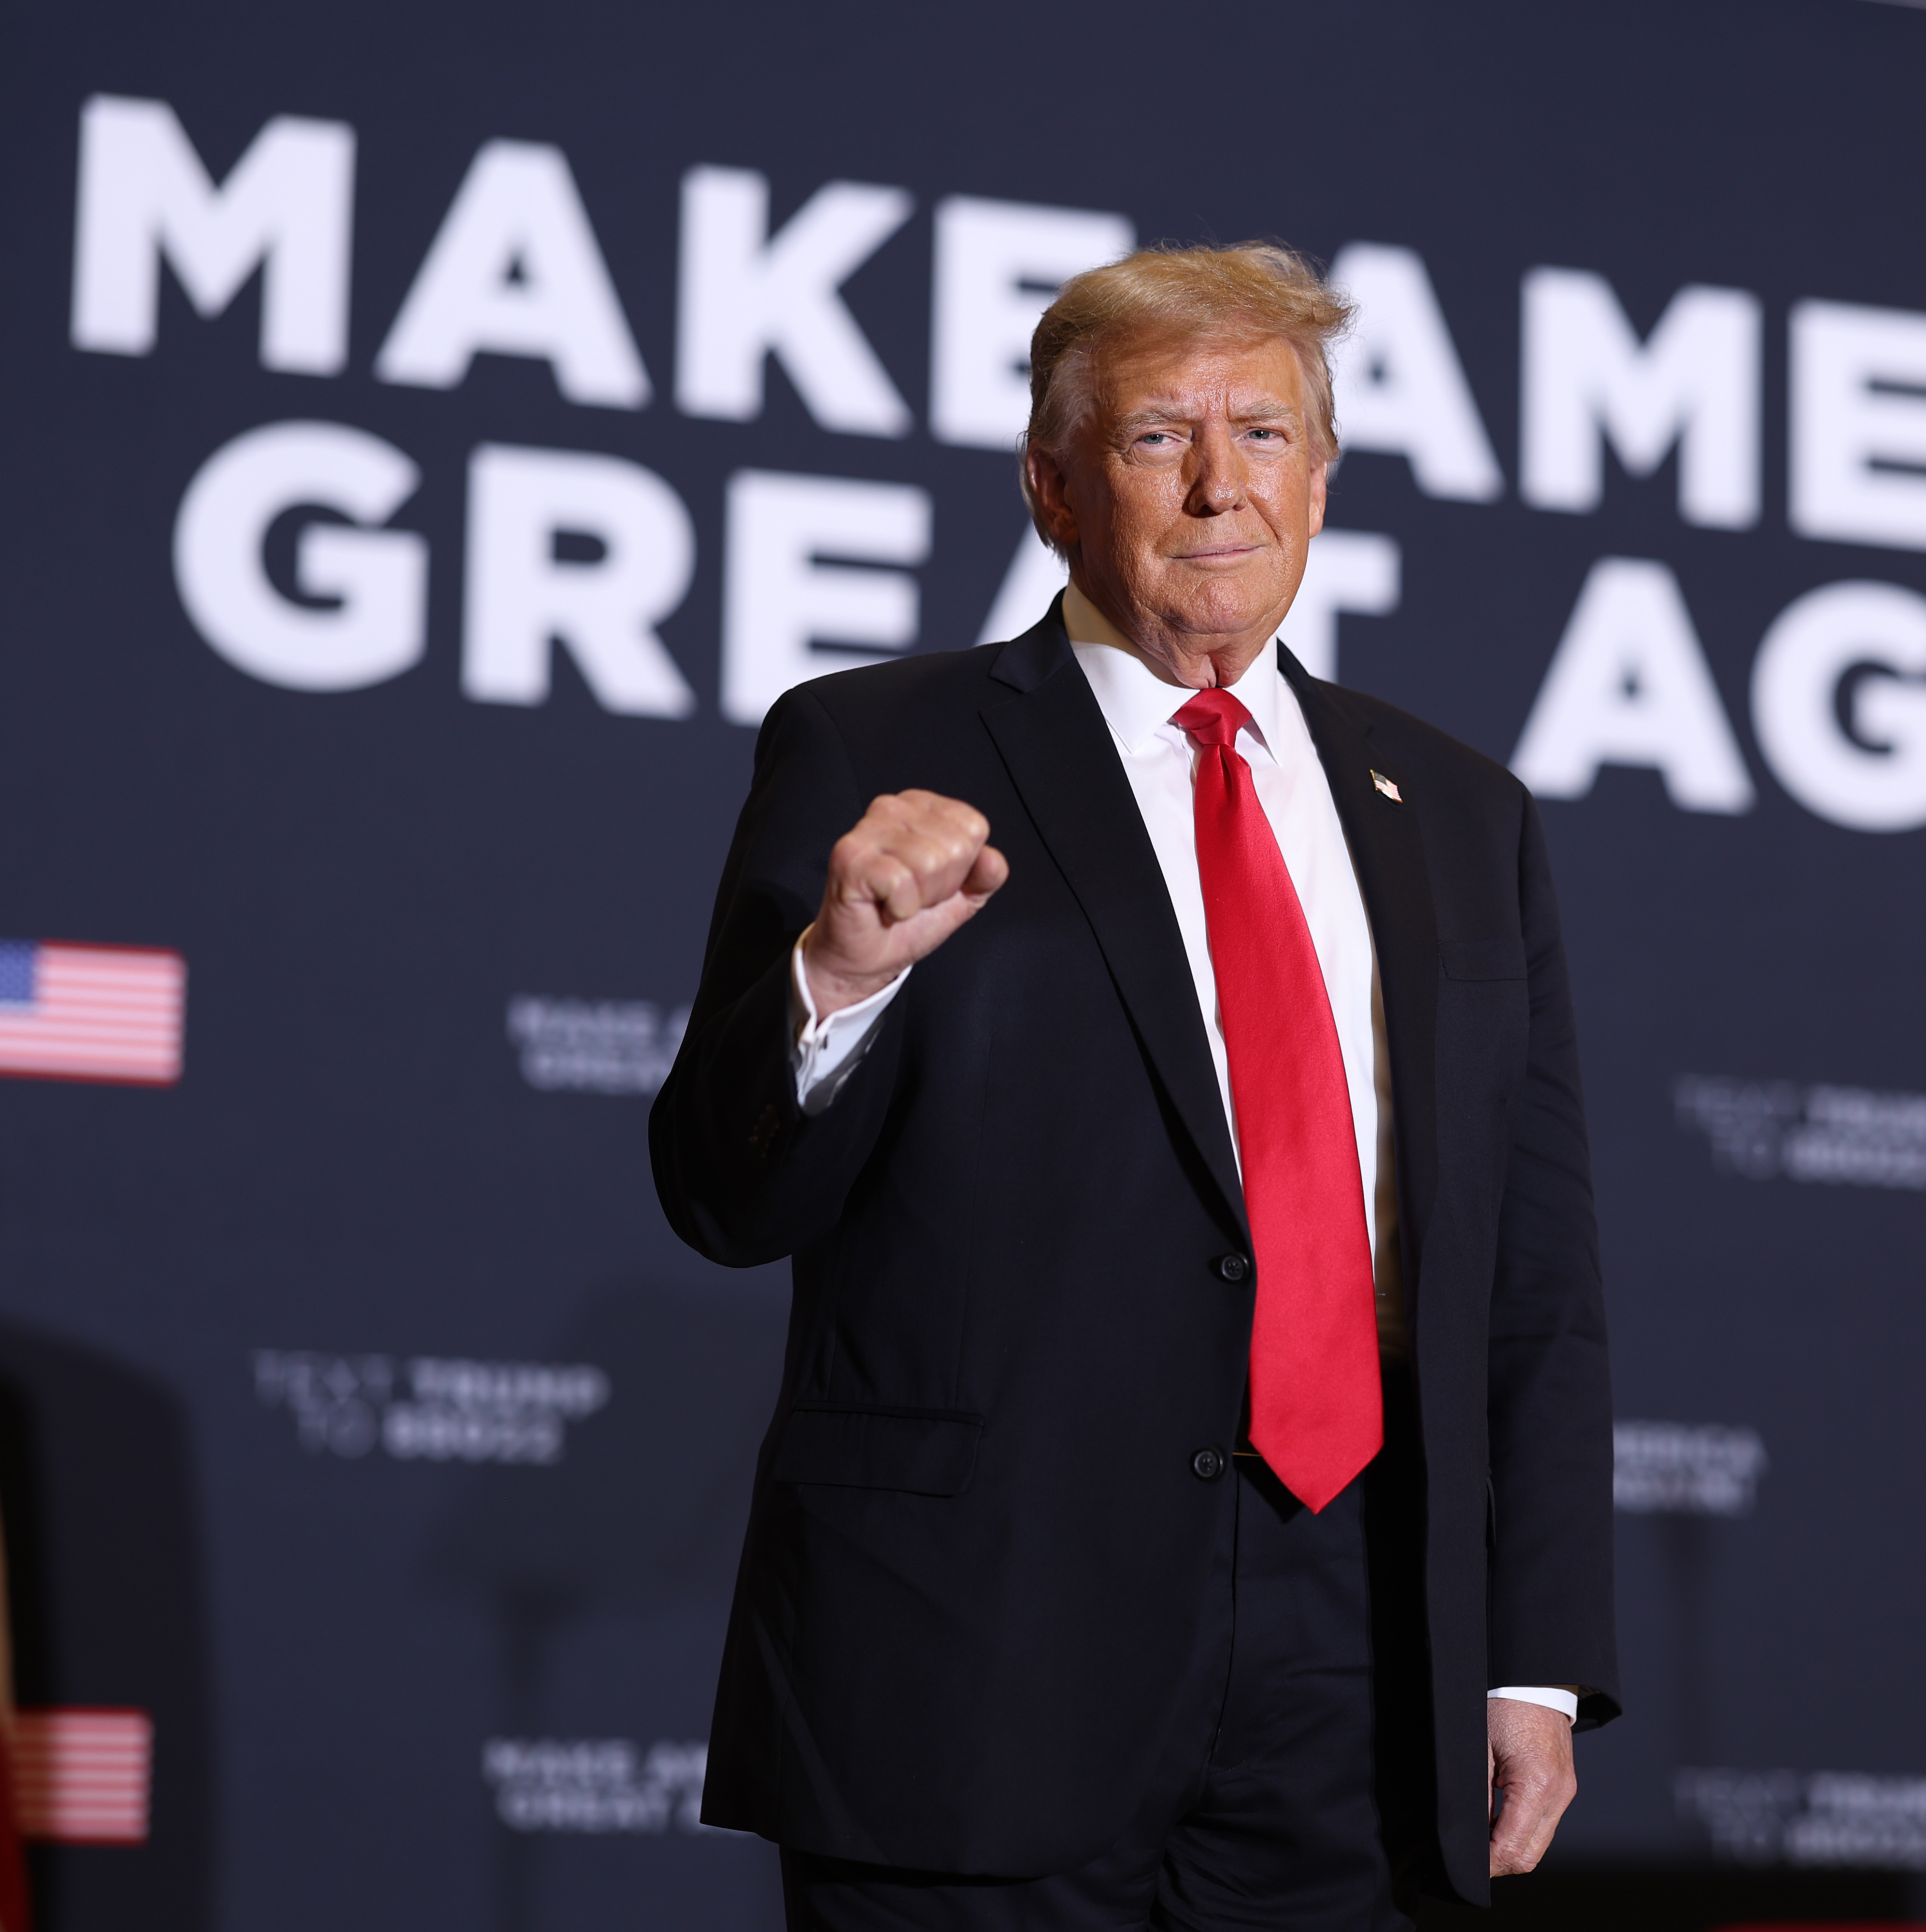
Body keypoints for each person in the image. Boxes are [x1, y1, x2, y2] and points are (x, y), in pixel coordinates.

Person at [651, 240, 1616, 1930]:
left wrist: (1530, 1657)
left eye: (1262, 434)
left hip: (1364, 1667)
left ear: (1323, 482)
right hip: (979, 1655)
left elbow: (1532, 1275)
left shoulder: (1462, 813)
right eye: (1160, 435)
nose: (1219, 484)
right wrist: (842, 976)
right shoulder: (878, 747)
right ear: (1052, 484)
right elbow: (725, 1192)